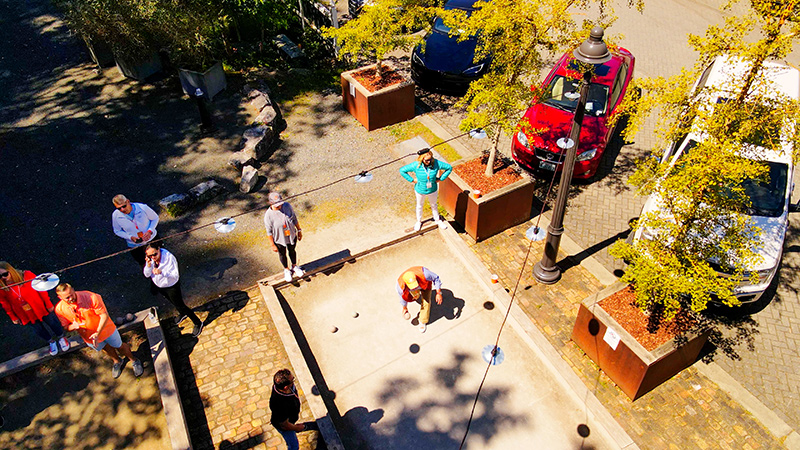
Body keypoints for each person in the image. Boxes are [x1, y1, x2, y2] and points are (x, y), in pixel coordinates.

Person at [54, 283, 143, 378]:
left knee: (119, 346)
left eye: (72, 294)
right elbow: (66, 327)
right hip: (89, 337)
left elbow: (104, 315)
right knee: (106, 348)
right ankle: (117, 361)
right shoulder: (59, 309)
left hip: (106, 330)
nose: (71, 298)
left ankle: (134, 360)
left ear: (73, 290)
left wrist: (97, 333)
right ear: (59, 297)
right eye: (67, 298)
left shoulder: (91, 297)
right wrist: (73, 327)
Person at [0, 262, 70, 356]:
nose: (3, 278)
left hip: (39, 306)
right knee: (37, 329)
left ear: (11, 270)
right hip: (23, 312)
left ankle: (61, 337)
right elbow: (5, 303)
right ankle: (51, 341)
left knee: (52, 322)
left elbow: (41, 289)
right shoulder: (2, 287)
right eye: (0, 276)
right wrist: (13, 316)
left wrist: (48, 303)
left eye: (5, 274)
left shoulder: (27, 275)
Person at [143, 242, 204, 337]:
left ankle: (197, 322)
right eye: (150, 255)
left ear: (159, 249)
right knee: (172, 302)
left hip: (171, 286)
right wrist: (148, 265)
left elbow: (175, 276)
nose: (153, 257)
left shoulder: (169, 258)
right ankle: (182, 314)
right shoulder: (151, 261)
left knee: (180, 304)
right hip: (160, 286)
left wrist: (161, 272)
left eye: (155, 254)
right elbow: (146, 274)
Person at [399, 149, 452, 231]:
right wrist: (412, 180)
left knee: (434, 205)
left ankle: (437, 220)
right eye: (427, 160)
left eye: (430, 159)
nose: (429, 162)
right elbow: (402, 170)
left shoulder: (436, 163)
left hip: (432, 189)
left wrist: (441, 179)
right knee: (419, 205)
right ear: (422, 159)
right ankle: (418, 221)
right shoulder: (416, 165)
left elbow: (449, 168)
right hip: (420, 190)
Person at [269, 369, 318, 450]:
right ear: (285, 387)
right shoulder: (280, 404)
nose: (294, 381)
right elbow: (284, 425)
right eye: (292, 380)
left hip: (290, 419)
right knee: (294, 446)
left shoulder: (279, 386)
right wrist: (296, 428)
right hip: (286, 426)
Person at [264, 192, 305, 283]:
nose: (280, 207)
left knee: (292, 250)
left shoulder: (287, 206)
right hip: (279, 238)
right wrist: (272, 244)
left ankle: (294, 266)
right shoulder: (268, 215)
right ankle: (286, 269)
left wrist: (299, 230)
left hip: (291, 235)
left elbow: (294, 218)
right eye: (277, 205)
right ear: (271, 203)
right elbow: (269, 231)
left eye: (280, 204)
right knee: (282, 254)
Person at [111, 194, 159, 267]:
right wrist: (129, 237)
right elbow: (117, 231)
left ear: (128, 201)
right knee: (143, 262)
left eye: (124, 206)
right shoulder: (115, 215)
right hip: (135, 245)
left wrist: (150, 231)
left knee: (160, 259)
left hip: (152, 239)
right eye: (119, 208)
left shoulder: (143, 208)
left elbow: (155, 218)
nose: (122, 210)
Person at [396, 266, 443, 333]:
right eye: (413, 286)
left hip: (425, 284)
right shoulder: (400, 286)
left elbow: (436, 278)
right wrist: (404, 308)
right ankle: (416, 294)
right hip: (410, 288)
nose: (415, 287)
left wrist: (438, 293)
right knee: (415, 296)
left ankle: (423, 321)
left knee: (426, 302)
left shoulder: (425, 274)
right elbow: (402, 298)